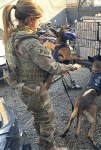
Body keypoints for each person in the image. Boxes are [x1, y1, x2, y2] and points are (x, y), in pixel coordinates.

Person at [2, 0, 80, 150]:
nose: (39, 24)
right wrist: (72, 67)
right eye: (38, 20)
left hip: (23, 88)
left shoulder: (12, 37)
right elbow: (52, 66)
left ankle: (42, 141)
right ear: (31, 19)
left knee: (37, 115)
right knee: (47, 119)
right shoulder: (30, 42)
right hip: (34, 90)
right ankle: (49, 147)